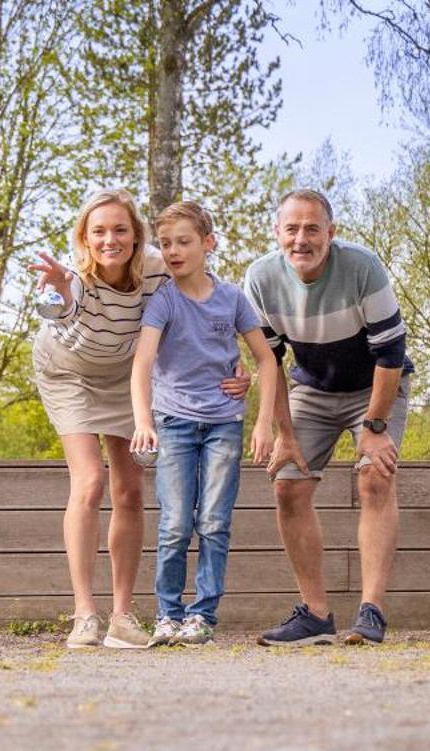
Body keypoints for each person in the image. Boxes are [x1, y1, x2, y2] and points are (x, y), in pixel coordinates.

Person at [30, 188, 249, 649]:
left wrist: (232, 362)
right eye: (98, 232)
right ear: (84, 238)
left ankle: (122, 617)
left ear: (136, 236)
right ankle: (85, 613)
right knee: (90, 481)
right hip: (68, 375)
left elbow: (206, 296)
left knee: (129, 489)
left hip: (127, 376)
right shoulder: (71, 277)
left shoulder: (155, 266)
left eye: (120, 230)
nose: (110, 239)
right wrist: (64, 290)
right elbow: (63, 314)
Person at [242, 188, 413, 647]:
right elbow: (269, 362)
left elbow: (392, 352)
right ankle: (316, 615)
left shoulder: (362, 267)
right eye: (292, 229)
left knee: (375, 478)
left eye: (312, 229)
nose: (302, 239)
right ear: (277, 233)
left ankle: (371, 611)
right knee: (287, 484)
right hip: (313, 388)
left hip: (375, 386)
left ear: (331, 234)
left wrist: (375, 429)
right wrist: (284, 433)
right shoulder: (260, 278)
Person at [128, 200, 275, 646]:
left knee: (213, 521)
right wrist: (143, 420)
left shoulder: (231, 298)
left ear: (207, 244)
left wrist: (263, 423)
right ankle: (168, 615)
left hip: (223, 425)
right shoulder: (163, 300)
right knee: (174, 523)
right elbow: (142, 364)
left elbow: (266, 361)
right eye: (166, 243)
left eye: (184, 242)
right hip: (172, 423)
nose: (173, 251)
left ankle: (202, 616)